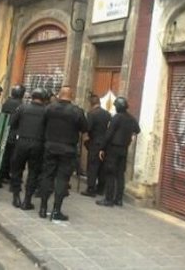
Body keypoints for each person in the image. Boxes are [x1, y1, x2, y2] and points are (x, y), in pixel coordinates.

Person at [39, 86, 87, 221]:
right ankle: (56, 210)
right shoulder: (77, 111)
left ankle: (43, 208)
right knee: (62, 180)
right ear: (71, 95)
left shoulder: (49, 108)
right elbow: (85, 128)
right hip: (67, 150)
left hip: (50, 146)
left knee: (47, 176)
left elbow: (42, 124)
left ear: (60, 94)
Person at [96, 96, 140, 208]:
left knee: (110, 173)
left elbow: (109, 134)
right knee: (120, 175)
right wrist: (129, 135)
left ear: (118, 107)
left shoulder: (117, 117)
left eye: (116, 106)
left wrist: (102, 148)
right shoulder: (131, 118)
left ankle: (109, 199)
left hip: (113, 149)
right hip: (124, 149)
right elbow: (137, 130)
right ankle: (118, 199)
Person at [10, 87, 46, 210]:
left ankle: (16, 197)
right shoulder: (46, 111)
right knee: (33, 172)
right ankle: (27, 201)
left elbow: (12, 123)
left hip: (22, 142)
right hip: (38, 144)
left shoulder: (22, 108)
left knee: (17, 170)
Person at [81, 94, 111, 197]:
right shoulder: (107, 114)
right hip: (105, 144)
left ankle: (90, 189)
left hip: (94, 143)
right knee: (102, 166)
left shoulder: (91, 114)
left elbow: (88, 128)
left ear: (91, 103)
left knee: (92, 166)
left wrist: (85, 137)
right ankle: (100, 188)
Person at [0, 84, 26, 182]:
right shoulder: (20, 105)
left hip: (5, 131)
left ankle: (3, 175)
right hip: (14, 133)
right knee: (12, 155)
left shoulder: (7, 102)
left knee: (5, 155)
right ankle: (6, 175)